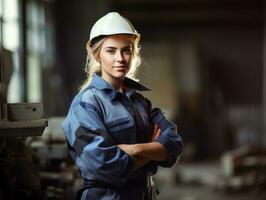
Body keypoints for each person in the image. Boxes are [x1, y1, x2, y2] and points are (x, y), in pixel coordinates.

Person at [62, 12, 183, 200]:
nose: (120, 58)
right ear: (97, 55)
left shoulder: (140, 102)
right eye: (111, 51)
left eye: (126, 50)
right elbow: (104, 164)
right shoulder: (86, 104)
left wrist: (134, 149)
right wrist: (152, 150)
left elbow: (174, 144)